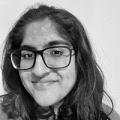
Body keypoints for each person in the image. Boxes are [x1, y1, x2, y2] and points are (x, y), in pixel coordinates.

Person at [0, 4, 120, 120]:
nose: (38, 71)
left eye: (56, 52)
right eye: (28, 55)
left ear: (80, 60)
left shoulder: (107, 117)